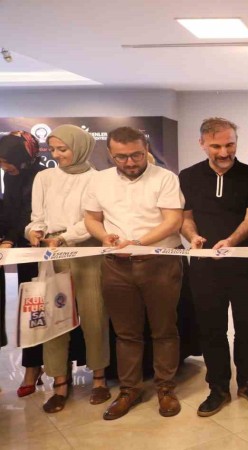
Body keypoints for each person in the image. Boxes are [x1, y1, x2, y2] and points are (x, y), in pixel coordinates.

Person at [84, 126, 185, 421]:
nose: (130, 162)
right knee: (126, 332)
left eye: (136, 155)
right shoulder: (99, 180)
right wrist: (104, 236)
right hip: (116, 265)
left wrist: (138, 242)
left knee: (164, 329)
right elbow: (91, 218)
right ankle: (130, 389)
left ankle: (165, 388)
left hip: (159, 262)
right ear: (110, 154)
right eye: (122, 157)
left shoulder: (164, 178)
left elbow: (173, 221)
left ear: (146, 149)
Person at [180, 118, 248, 417]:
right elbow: (186, 217)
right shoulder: (188, 176)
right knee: (211, 330)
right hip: (204, 266)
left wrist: (230, 241)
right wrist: (193, 236)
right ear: (202, 144)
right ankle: (218, 387)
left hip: (246, 265)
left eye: (230, 145)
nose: (224, 152)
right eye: (216, 146)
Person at [25, 125, 111, 413]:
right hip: (51, 254)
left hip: (87, 252)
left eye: (63, 149)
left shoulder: (98, 179)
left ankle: (99, 378)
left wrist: (64, 237)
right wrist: (35, 232)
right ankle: (59, 382)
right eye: (53, 149)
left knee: (94, 315)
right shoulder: (44, 177)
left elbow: (93, 220)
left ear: (81, 147)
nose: (56, 154)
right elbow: (37, 216)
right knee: (53, 317)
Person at [0, 131, 45, 397]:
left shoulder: (42, 175)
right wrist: (7, 237)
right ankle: (32, 366)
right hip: (23, 252)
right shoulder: (11, 176)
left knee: (55, 307)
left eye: (7, 162)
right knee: (31, 311)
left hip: (43, 248)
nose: (4, 167)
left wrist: (10, 238)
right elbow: (10, 210)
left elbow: (31, 213)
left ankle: (59, 367)